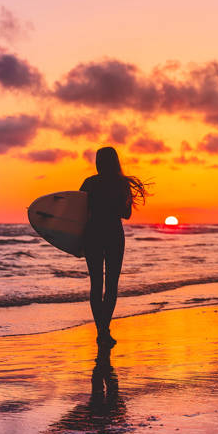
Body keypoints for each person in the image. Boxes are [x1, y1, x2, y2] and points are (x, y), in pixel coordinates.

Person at [80, 147, 148, 347]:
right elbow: (126, 214)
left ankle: (100, 330)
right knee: (111, 285)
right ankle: (104, 330)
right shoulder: (121, 183)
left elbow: (78, 212)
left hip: (92, 234)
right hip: (113, 235)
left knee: (95, 284)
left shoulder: (89, 183)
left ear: (98, 162)